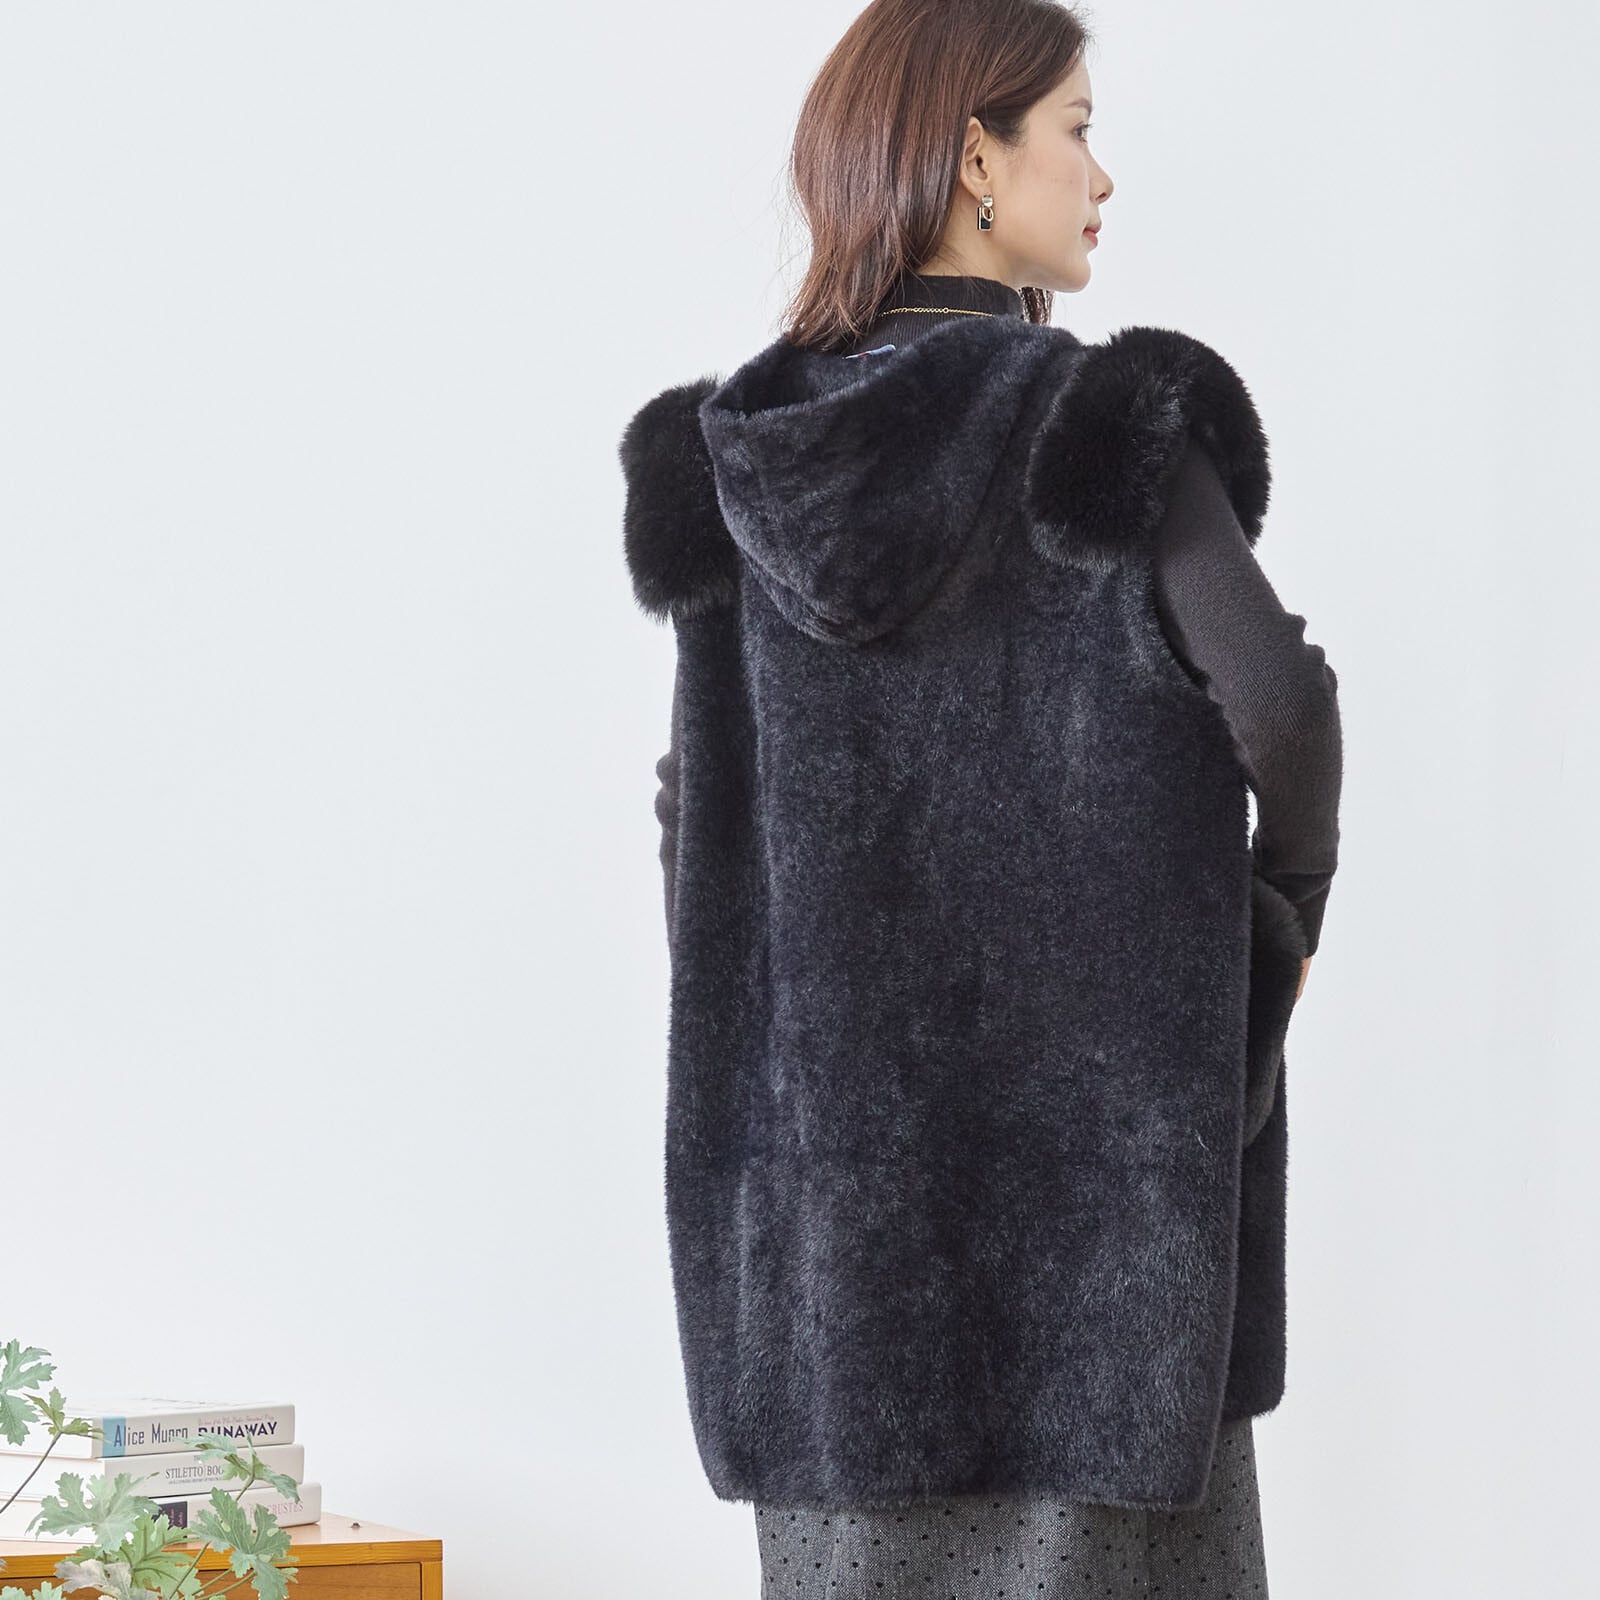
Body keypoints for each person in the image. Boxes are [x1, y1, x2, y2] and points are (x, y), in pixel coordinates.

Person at [619, 2, 1341, 1593]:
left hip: (837, 1304)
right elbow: (1283, 706)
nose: (1102, 174)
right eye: (1075, 127)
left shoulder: (735, 468)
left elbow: (694, 820)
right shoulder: (1103, 429)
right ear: (973, 157)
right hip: (1114, 1279)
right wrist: (1284, 918)